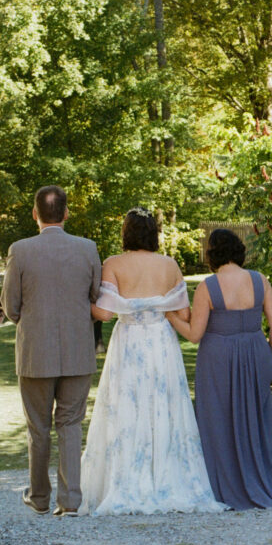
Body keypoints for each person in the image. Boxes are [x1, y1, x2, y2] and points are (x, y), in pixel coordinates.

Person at [80, 207, 224, 516]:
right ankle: (170, 479)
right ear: (154, 233)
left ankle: (125, 479)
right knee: (165, 405)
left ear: (126, 233)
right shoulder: (169, 265)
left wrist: (82, 303)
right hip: (160, 341)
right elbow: (183, 314)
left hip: (129, 340)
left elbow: (105, 314)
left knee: (126, 407)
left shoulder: (113, 264)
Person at [167, 228, 272, 510]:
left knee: (218, 422)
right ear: (238, 250)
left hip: (218, 358)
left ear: (211, 254)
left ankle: (225, 489)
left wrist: (171, 317)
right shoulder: (260, 280)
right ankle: (263, 483)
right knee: (256, 422)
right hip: (254, 352)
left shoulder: (208, 286)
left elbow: (195, 334)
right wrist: (266, 353)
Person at [1, 185, 101, 517]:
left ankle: (40, 497)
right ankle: (70, 500)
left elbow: (10, 307)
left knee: (38, 427)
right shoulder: (88, 249)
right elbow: (95, 296)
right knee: (71, 424)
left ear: (35, 214)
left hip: (35, 350)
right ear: (67, 213)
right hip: (77, 348)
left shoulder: (20, 249)